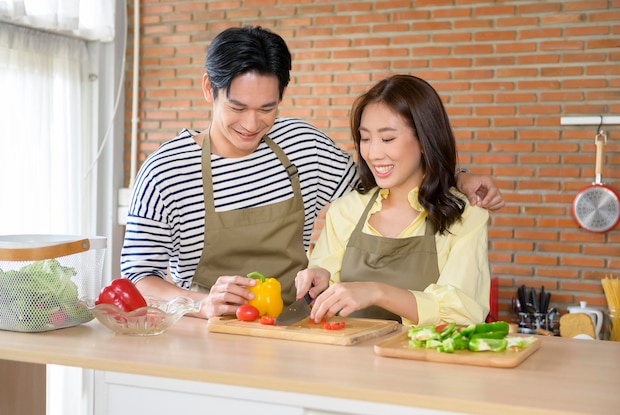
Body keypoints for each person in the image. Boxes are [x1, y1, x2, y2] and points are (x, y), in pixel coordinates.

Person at [121, 26, 502, 320]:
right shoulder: (166, 170)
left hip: (294, 330)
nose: (252, 124)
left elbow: (385, 180)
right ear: (210, 89)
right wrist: (200, 303)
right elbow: (139, 278)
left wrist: (458, 179)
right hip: (209, 333)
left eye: (267, 108)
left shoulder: (304, 146)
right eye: (237, 107)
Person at [295, 74, 491, 326]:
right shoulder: (346, 210)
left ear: (424, 140)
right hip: (347, 361)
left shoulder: (465, 215)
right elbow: (324, 291)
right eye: (365, 138)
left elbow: (462, 313)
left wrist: (378, 292)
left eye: (388, 139)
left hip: (426, 362)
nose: (373, 153)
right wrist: (317, 280)